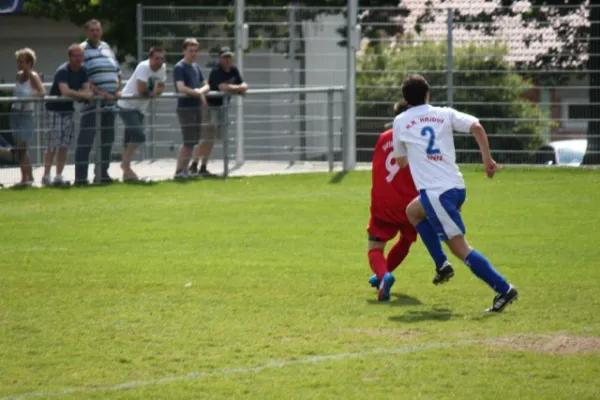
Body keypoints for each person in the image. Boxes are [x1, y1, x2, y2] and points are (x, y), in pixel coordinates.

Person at [392, 74, 518, 312]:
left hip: (437, 195)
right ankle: (441, 264)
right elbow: (476, 127)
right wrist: (487, 160)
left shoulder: (401, 121)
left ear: (406, 100)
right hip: (456, 187)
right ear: (428, 94)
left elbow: (400, 163)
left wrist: (415, 151)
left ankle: (504, 289)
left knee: (461, 249)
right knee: (413, 211)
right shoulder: (444, 113)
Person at [367, 100, 452, 301]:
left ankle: (383, 275)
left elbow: (378, 170)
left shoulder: (384, 138)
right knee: (406, 240)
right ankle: (383, 275)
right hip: (410, 205)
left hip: (384, 204)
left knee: (375, 248)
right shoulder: (422, 141)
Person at [75, 19, 121, 185]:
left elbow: (117, 71)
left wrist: (117, 89)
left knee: (107, 140)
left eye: (98, 30)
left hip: (110, 104)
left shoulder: (107, 47)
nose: (96, 32)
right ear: (87, 32)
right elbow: (83, 77)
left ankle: (102, 174)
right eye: (92, 30)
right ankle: (80, 178)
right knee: (86, 141)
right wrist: (101, 93)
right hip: (93, 104)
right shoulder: (82, 50)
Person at [189, 46, 247, 176]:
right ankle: (194, 164)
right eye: (225, 57)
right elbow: (222, 86)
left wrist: (236, 87)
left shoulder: (233, 70)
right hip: (210, 108)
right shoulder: (216, 71)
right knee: (206, 138)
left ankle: (203, 166)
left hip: (223, 108)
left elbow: (244, 85)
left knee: (213, 139)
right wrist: (238, 88)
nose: (227, 60)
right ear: (220, 58)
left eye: (229, 57)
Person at [43, 44, 93, 186]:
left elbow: (88, 91)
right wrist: (81, 94)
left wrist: (80, 94)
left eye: (81, 56)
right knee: (52, 144)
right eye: (76, 56)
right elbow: (65, 91)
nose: (79, 59)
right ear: (70, 57)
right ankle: (46, 176)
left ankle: (59, 175)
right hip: (54, 110)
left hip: (68, 111)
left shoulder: (83, 71)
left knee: (64, 144)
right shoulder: (62, 71)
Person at [117, 47, 166, 181]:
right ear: (150, 58)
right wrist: (154, 93)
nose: (159, 61)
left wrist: (157, 92)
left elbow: (161, 87)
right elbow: (141, 89)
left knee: (128, 141)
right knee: (139, 136)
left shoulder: (162, 68)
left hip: (141, 108)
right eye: (156, 58)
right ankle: (125, 165)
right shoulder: (143, 67)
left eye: (162, 58)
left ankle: (126, 175)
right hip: (127, 105)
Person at [173, 38, 210, 179]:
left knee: (193, 141)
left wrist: (200, 91)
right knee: (188, 142)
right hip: (185, 108)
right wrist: (198, 93)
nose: (193, 53)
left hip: (196, 108)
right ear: (184, 51)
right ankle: (179, 171)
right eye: (190, 51)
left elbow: (206, 85)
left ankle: (185, 171)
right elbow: (181, 87)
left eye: (195, 51)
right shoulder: (179, 67)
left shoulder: (196, 67)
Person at [10, 47, 45, 187]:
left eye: (22, 61)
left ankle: (29, 177)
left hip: (26, 115)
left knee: (22, 147)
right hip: (15, 113)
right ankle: (24, 177)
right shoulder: (18, 75)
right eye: (18, 61)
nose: (19, 64)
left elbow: (42, 92)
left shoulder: (33, 76)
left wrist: (29, 97)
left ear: (30, 63)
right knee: (18, 149)